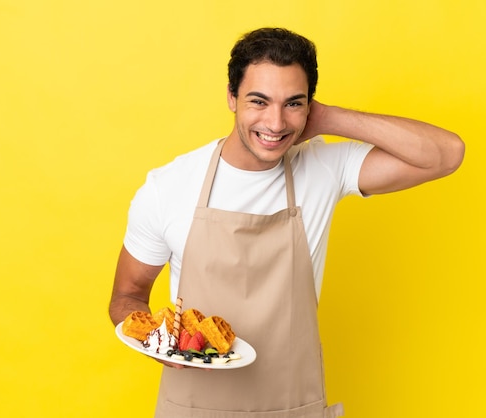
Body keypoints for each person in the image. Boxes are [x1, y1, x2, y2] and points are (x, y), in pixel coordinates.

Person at [109, 27, 464, 417]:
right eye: (259, 101)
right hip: (193, 407)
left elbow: (445, 155)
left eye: (293, 104)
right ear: (231, 97)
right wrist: (160, 342)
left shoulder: (325, 168)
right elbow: (127, 296)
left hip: (294, 407)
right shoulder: (169, 187)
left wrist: (328, 118)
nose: (276, 123)